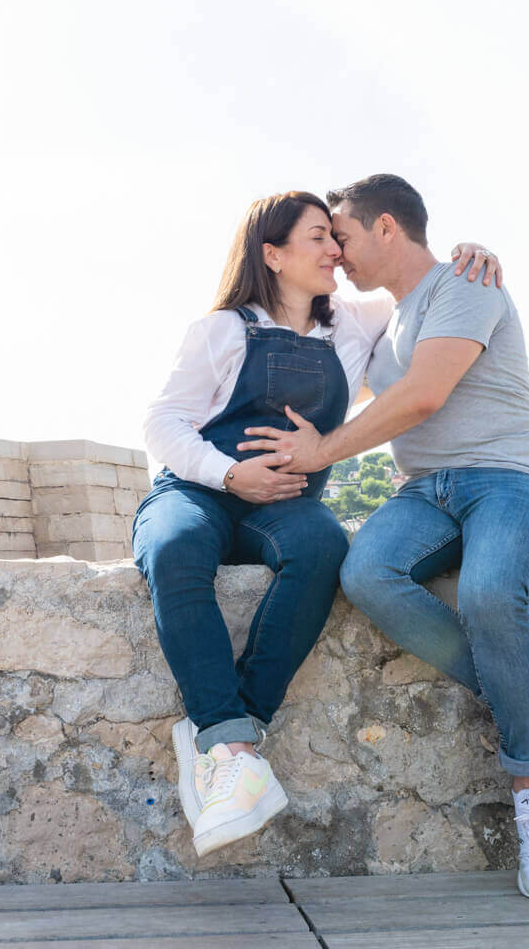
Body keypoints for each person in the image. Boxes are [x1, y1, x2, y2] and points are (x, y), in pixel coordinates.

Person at [236, 174, 529, 898]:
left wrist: (320, 451)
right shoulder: (378, 320)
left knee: (491, 592)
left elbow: (425, 393)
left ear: (387, 229)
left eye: (341, 234)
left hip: (512, 479)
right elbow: (323, 334)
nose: (335, 252)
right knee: (366, 571)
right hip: (425, 491)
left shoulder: (468, 283)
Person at [134, 189, 501, 856]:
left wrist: (468, 254)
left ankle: (234, 735)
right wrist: (228, 473)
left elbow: (419, 283)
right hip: (200, 490)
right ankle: (228, 740)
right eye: (317, 239)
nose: (335, 250)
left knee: (326, 543)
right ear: (271, 254)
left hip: (289, 505)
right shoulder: (221, 329)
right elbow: (162, 421)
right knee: (175, 546)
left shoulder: (356, 324)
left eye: (337, 238)